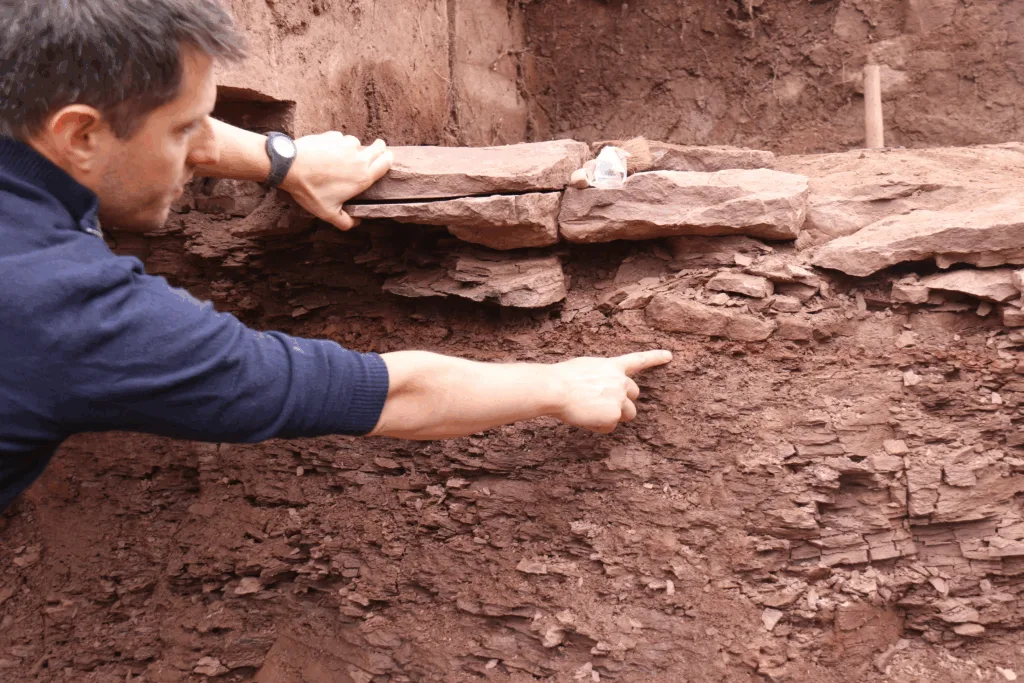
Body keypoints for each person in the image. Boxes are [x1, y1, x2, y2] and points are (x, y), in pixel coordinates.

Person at [0, 0, 672, 514]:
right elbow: (379, 393)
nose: (196, 150)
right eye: (180, 130)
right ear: (79, 132)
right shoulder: (67, 309)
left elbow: (124, 138)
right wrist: (558, 385)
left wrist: (278, 158)